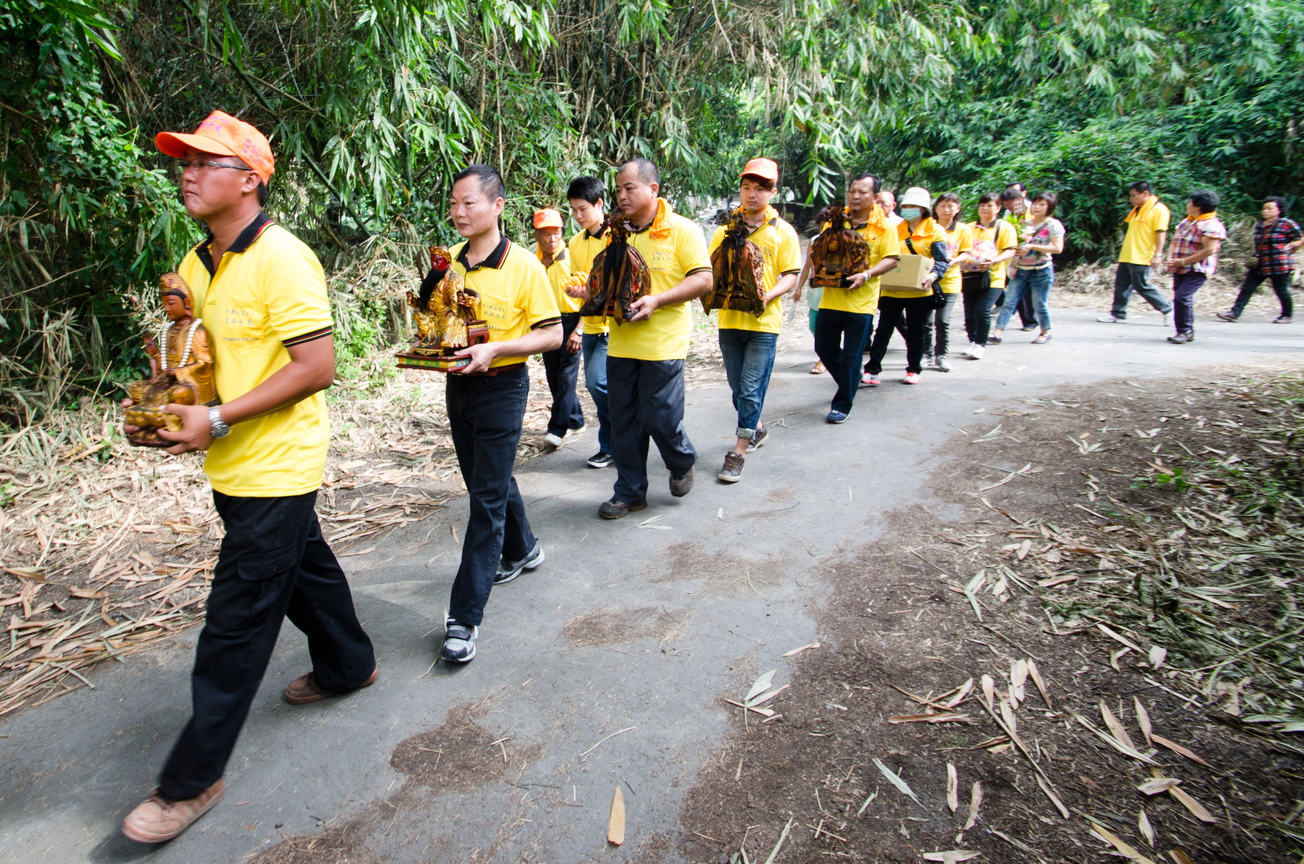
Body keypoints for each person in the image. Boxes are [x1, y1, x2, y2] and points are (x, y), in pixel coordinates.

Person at [120, 111, 377, 844]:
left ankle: (189, 781)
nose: (189, 173)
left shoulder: (284, 258)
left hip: (277, 465)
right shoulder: (199, 262)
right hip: (233, 463)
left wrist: (221, 419)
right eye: (185, 162)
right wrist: (174, 405)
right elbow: (206, 358)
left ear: (252, 180)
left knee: (236, 621)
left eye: (207, 162)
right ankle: (348, 663)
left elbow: (317, 366)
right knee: (304, 572)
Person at [439, 165, 563, 662]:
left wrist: (499, 349)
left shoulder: (525, 266)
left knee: (484, 500)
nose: (459, 212)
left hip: (502, 387)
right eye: (453, 203)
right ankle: (525, 548)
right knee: (484, 482)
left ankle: (463, 618)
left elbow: (551, 333)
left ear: (497, 207)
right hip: (458, 385)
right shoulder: (447, 261)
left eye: (469, 203)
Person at [600, 158, 712, 519]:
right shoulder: (615, 233)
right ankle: (630, 491)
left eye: (628, 188)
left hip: (663, 343)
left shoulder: (682, 230)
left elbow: (703, 280)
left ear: (653, 190)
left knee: (659, 418)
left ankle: (681, 461)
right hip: (620, 342)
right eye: (618, 189)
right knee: (624, 422)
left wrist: (658, 300)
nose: (621, 196)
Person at [710, 158, 802, 482]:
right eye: (746, 187)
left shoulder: (782, 232)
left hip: (764, 324)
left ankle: (738, 451)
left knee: (749, 389)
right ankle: (757, 427)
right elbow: (712, 270)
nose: (752, 194)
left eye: (760, 188)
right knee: (738, 389)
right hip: (730, 320)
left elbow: (791, 274)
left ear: (772, 192)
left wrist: (767, 295)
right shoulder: (725, 230)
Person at [793, 172, 899, 422]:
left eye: (863, 191)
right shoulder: (835, 222)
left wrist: (868, 274)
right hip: (830, 298)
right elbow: (820, 249)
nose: (856, 196)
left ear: (874, 196)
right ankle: (851, 381)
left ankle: (842, 404)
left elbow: (892, 258)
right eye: (852, 191)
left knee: (852, 355)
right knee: (824, 347)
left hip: (861, 303)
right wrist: (816, 272)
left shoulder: (884, 227)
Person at [864, 186, 948, 386]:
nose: (908, 209)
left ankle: (913, 369)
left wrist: (934, 275)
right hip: (892, 289)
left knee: (916, 331)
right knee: (883, 330)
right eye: (906, 206)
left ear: (923, 209)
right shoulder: (894, 229)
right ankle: (872, 369)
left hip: (920, 291)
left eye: (913, 206)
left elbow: (942, 260)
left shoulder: (935, 230)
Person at [567, 176, 615, 467]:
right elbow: (583, 289)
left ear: (599, 204)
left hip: (614, 326)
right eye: (573, 210)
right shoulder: (575, 243)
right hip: (592, 326)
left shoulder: (618, 237)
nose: (577, 216)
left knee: (598, 383)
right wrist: (576, 294)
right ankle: (613, 444)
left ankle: (614, 443)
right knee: (598, 387)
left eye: (582, 209)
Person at [535, 207, 586, 449]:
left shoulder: (572, 257)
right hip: (547, 323)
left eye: (556, 233)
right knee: (554, 378)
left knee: (566, 377)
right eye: (546, 234)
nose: (553, 239)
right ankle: (576, 419)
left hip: (572, 321)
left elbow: (590, 296)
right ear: (537, 236)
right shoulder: (533, 262)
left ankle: (557, 429)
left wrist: (579, 330)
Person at [990, 191, 1065, 344]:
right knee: (1009, 302)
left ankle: (1046, 331)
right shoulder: (1023, 224)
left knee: (1039, 304)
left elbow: (1058, 248)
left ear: (1050, 207)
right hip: (1021, 269)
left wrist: (1033, 246)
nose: (1037, 207)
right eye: (1036, 203)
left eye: (1042, 204)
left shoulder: (1053, 225)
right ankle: (998, 333)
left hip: (1041, 270)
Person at [1218, 196, 1303, 324]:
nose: (1266, 211)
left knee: (1281, 289)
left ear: (1279, 210)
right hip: (1261, 263)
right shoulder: (1259, 225)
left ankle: (1286, 315)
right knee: (1248, 287)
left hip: (1279, 263)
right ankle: (1234, 313)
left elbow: (1300, 238)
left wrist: (1295, 245)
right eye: (1264, 208)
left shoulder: (1286, 224)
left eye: (1270, 209)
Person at [1098, 181, 1173, 325]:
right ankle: (1118, 313)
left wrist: (1158, 255)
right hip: (1128, 254)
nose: (1131, 199)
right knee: (1121, 285)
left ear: (1145, 193)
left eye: (1133, 195)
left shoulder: (1158, 209)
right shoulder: (1138, 210)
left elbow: (1161, 233)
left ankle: (1167, 309)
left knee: (1142, 285)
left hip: (1143, 255)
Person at [961, 192, 1018, 359]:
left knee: (982, 310)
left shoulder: (1004, 227)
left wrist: (994, 260)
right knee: (969, 312)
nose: (985, 209)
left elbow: (1011, 250)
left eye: (990, 205)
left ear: (998, 208)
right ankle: (972, 341)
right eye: (982, 205)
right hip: (970, 275)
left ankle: (980, 344)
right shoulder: (969, 228)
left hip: (994, 277)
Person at [1165, 190, 1227, 343]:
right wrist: (1170, 258)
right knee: (1180, 298)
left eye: (1190, 202)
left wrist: (1184, 261)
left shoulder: (1211, 225)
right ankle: (1186, 331)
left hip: (1198, 268)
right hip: (1180, 267)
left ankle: (1184, 332)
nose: (1187, 204)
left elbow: (1209, 250)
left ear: (1198, 206)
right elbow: (1175, 241)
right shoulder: (1187, 222)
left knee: (1182, 297)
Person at [923, 192, 972, 371]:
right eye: (942, 205)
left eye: (950, 206)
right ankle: (925, 353)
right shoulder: (928, 227)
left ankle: (941, 355)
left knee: (942, 320)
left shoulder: (963, 230)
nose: (946, 209)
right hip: (928, 280)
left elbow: (967, 252)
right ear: (935, 208)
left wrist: (953, 261)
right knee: (926, 321)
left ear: (957, 209)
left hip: (950, 281)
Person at [998, 185, 1037, 331]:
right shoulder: (1010, 212)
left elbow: (1028, 228)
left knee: (1024, 290)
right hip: (1014, 254)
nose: (1008, 207)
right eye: (1005, 205)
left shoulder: (1028, 208)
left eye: (1009, 204)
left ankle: (1030, 321)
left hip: (1029, 255)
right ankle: (1027, 320)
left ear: (1018, 200)